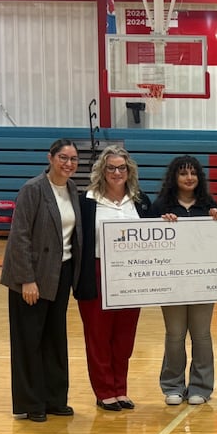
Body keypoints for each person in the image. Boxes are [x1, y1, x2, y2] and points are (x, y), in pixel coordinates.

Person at [0, 139, 82, 422]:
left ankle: (55, 399)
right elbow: (19, 236)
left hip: (60, 274)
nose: (68, 163)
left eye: (73, 159)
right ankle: (31, 403)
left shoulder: (72, 189)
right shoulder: (32, 189)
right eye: (63, 157)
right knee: (29, 341)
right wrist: (27, 280)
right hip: (32, 278)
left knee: (54, 338)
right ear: (50, 158)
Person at [76, 145, 152, 411]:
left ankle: (120, 389)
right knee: (98, 335)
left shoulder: (141, 201)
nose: (117, 172)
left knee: (124, 337)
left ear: (129, 170)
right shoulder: (87, 201)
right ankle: (104, 391)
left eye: (122, 167)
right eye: (111, 167)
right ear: (102, 170)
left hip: (131, 276)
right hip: (96, 273)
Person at [149, 155, 217, 406]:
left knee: (201, 335)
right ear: (174, 177)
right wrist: (160, 225)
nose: (189, 178)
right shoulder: (160, 205)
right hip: (171, 283)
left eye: (193, 173)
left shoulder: (209, 205)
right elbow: (147, 242)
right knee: (175, 334)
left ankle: (201, 388)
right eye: (183, 173)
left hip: (203, 282)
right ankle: (173, 386)